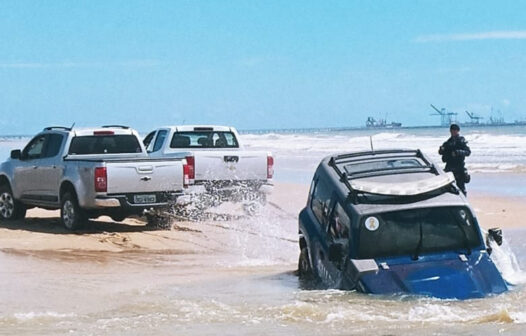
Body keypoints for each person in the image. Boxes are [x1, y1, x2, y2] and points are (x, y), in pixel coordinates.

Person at [439, 124, 471, 195]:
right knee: (448, 187)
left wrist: (458, 152)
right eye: (452, 130)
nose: (453, 132)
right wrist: (441, 150)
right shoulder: (447, 142)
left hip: (459, 167)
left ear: (458, 131)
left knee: (461, 187)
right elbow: (441, 152)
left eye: (455, 130)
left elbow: (468, 152)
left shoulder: (461, 141)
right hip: (450, 166)